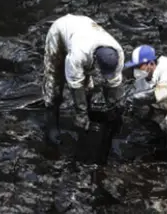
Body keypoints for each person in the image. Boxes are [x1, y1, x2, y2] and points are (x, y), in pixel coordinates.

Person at [42, 14, 125, 145]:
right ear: (96, 60)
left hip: (84, 28)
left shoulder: (118, 52)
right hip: (60, 32)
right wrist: (81, 113)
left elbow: (114, 82)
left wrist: (114, 108)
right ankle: (52, 125)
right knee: (54, 83)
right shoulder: (78, 54)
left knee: (88, 87)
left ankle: (89, 115)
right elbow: (75, 83)